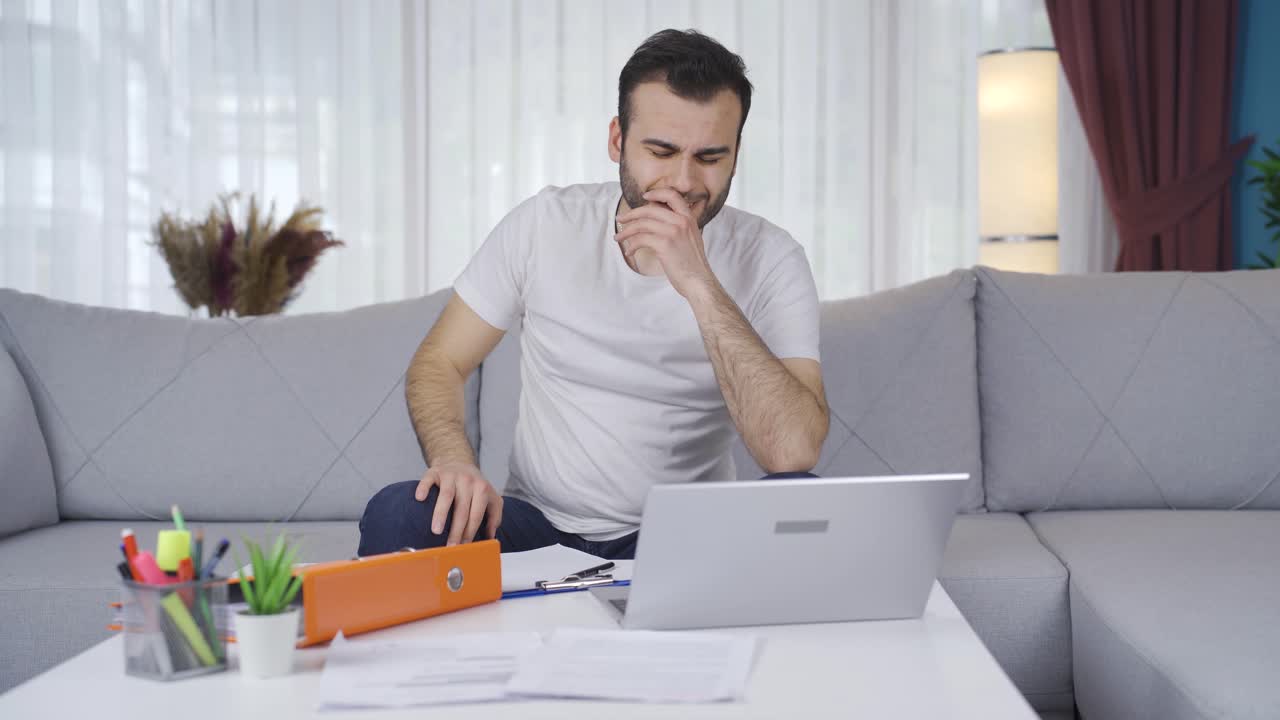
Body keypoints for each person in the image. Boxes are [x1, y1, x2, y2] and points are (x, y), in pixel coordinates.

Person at [358, 29, 828, 560]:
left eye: (710, 157)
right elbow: (438, 361)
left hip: (682, 534)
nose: (682, 180)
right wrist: (455, 462)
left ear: (736, 156)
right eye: (661, 151)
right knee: (399, 512)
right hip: (535, 526)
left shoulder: (772, 257)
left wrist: (698, 283)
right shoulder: (545, 225)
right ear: (616, 141)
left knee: (799, 502)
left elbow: (792, 451)